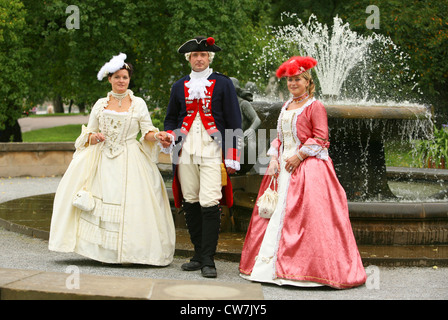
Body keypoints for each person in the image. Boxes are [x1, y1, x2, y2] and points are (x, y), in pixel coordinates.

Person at [239, 56, 366, 289]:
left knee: (309, 220)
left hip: (308, 168)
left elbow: (321, 138)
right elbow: (280, 137)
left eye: (297, 79)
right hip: (281, 169)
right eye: (289, 80)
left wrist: (299, 156)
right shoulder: (286, 106)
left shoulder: (314, 106)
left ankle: (305, 270)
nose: (292, 83)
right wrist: (275, 158)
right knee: (272, 214)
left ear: (307, 81)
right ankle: (269, 268)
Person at [48, 53, 176, 266]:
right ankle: (101, 252)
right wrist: (94, 137)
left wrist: (159, 136)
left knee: (135, 203)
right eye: (117, 77)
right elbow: (87, 134)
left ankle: (131, 252)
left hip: (130, 157)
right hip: (102, 158)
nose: (121, 81)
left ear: (129, 79)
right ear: (109, 79)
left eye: (125, 77)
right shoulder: (100, 104)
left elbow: (147, 132)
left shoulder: (139, 104)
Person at [162, 36, 243, 278]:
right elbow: (171, 118)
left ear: (209, 58)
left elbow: (234, 121)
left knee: (210, 202)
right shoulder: (179, 86)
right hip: (185, 152)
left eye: (203, 55)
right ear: (189, 59)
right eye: (195, 55)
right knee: (190, 200)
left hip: (212, 151)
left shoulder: (223, 83)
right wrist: (169, 136)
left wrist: (231, 155)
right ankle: (198, 255)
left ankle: (209, 259)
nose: (199, 59)